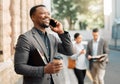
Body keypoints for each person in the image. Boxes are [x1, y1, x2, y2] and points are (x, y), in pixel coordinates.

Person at [14, 5, 74, 84]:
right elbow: (19, 67)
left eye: (48, 14)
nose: (47, 16)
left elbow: (69, 51)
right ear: (33, 17)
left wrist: (61, 32)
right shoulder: (25, 38)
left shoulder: (52, 38)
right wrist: (44, 70)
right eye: (42, 13)